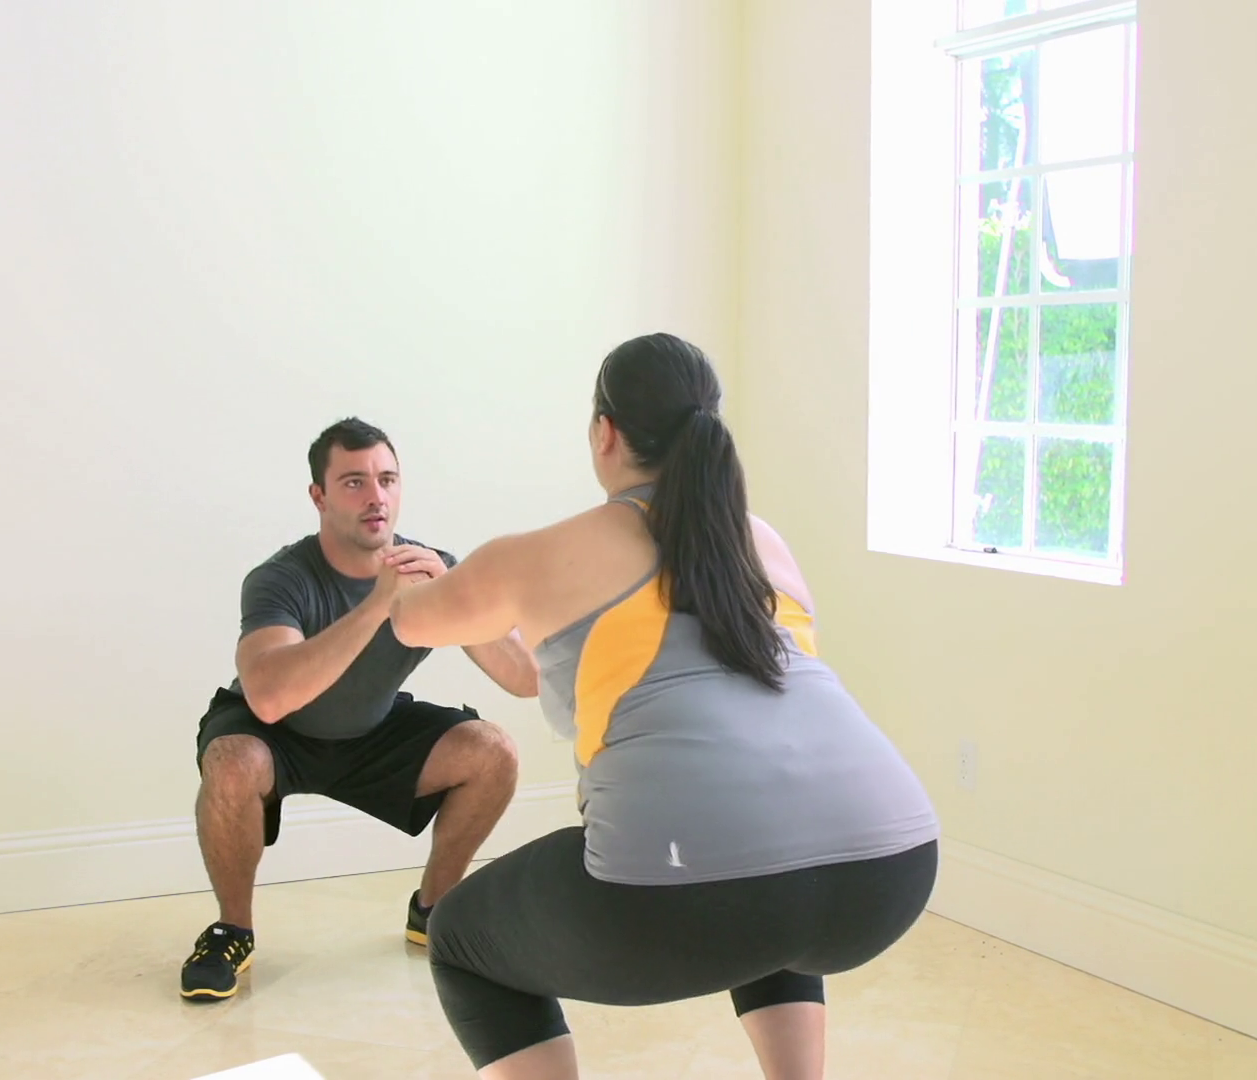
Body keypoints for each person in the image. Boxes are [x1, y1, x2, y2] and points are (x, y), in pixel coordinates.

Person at [388, 335, 941, 1079]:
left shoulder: (543, 553)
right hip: (891, 872)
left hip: (680, 899)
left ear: (605, 433)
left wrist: (413, 578)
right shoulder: (762, 542)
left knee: (461, 937)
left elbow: (413, 622)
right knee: (765, 875)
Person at [181, 418, 538, 1003]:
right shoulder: (281, 579)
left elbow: (526, 679)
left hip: (372, 728)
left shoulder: (432, 569)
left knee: (492, 751)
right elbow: (268, 696)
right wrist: (376, 606)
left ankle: (435, 911)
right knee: (230, 759)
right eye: (353, 482)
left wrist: (454, 596)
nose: (376, 497)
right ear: (318, 496)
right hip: (277, 734)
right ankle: (232, 931)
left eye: (387, 479)